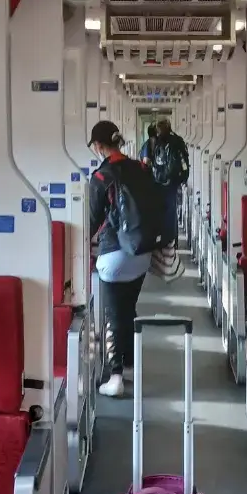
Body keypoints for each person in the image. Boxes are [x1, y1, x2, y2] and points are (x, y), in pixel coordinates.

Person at [87, 120, 161, 397]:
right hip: (141, 253)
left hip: (113, 255)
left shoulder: (100, 177)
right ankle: (129, 364)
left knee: (112, 314)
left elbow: (93, 220)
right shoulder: (140, 169)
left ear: (98, 146)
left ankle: (115, 375)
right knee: (127, 308)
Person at [151, 117, 190, 247]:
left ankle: (169, 240)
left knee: (169, 212)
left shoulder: (174, 142)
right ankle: (169, 240)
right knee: (168, 212)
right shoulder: (165, 141)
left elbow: (175, 165)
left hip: (169, 182)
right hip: (166, 181)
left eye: (159, 130)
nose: (158, 133)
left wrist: (163, 177)